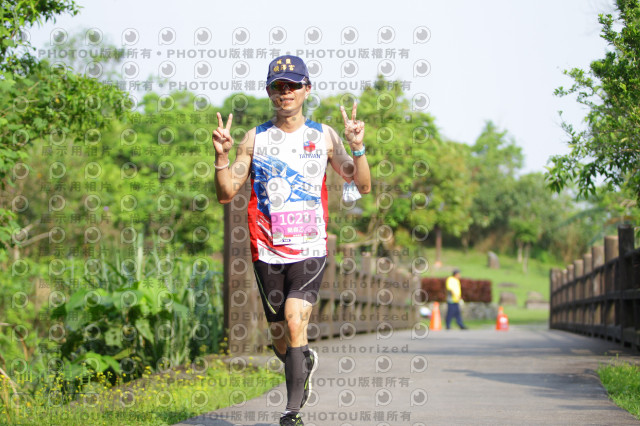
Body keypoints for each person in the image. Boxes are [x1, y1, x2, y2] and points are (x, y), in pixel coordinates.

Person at [212, 55, 371, 426]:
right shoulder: (254, 138)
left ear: (307, 90)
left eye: (293, 85)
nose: (285, 92)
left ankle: (291, 413)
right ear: (269, 92)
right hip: (266, 249)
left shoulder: (325, 136)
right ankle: (303, 361)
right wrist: (221, 157)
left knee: (295, 321)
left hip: (310, 248)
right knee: (280, 335)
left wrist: (358, 147)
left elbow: (361, 184)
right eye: (278, 86)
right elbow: (226, 192)